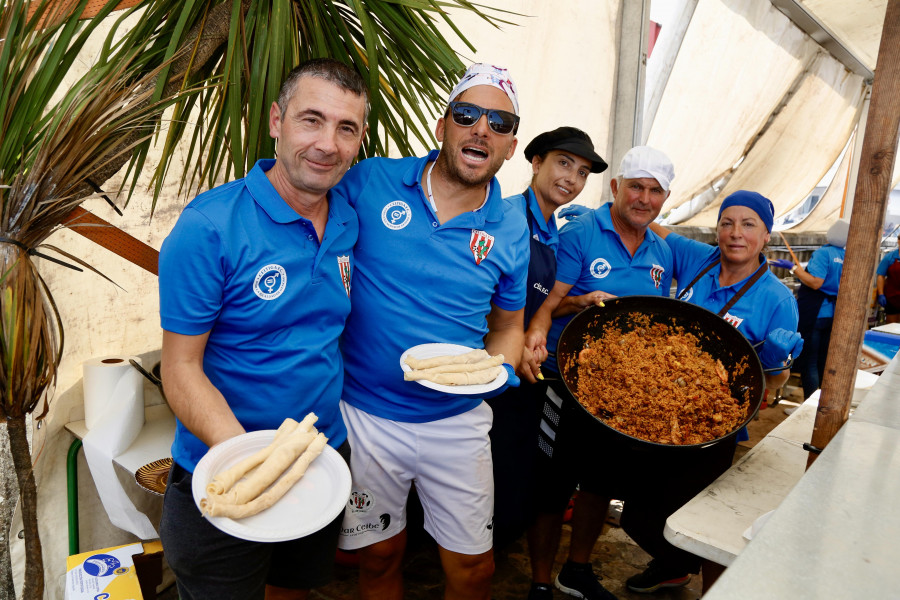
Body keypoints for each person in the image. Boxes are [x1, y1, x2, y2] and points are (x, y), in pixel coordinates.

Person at [157, 58, 369, 600]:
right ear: (276, 120)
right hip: (226, 468)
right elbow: (179, 369)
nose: (327, 143)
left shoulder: (348, 219)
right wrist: (249, 462)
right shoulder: (209, 227)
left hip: (319, 460)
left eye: (346, 128)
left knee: (294, 590)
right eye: (311, 120)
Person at [332, 63, 530, 600]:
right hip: (366, 416)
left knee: (474, 570)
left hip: (458, 422)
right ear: (442, 125)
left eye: (500, 122)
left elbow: (509, 325)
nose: (481, 129)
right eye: (467, 114)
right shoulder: (370, 181)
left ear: (511, 146)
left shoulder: (511, 226)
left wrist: (500, 367)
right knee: (376, 558)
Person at [520, 146, 677, 600]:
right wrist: (585, 302)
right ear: (615, 188)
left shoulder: (660, 251)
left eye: (654, 191)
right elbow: (548, 305)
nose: (643, 198)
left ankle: (578, 570)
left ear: (664, 197)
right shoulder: (582, 231)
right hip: (565, 381)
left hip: (619, 396)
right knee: (552, 487)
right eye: (636, 187)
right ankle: (541, 580)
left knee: (599, 486)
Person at [633, 190, 802, 594]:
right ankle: (674, 564)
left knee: (698, 517)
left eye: (749, 225)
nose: (735, 233)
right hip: (658, 408)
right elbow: (656, 226)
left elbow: (775, 385)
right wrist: (613, 210)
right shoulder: (699, 258)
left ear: (765, 236)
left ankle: (704, 579)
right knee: (638, 514)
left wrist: (776, 362)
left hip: (713, 425)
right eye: (727, 223)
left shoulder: (777, 299)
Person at [487, 127, 607, 550]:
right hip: (490, 371)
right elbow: (483, 301)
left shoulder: (552, 230)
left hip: (523, 371)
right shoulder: (504, 217)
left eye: (582, 172)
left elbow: (539, 300)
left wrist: (542, 327)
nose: (571, 178)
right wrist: (513, 341)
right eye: (563, 163)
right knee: (489, 473)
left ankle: (497, 548)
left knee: (516, 471)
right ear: (535, 163)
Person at [770, 219, 848, 399]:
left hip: (816, 312)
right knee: (823, 360)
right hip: (833, 313)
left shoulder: (823, 253)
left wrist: (793, 267)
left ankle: (810, 407)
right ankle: (821, 403)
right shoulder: (845, 255)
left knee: (809, 361)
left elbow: (815, 282)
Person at [876, 236, 900, 324]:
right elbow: (881, 276)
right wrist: (881, 294)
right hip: (892, 298)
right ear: (898, 241)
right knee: (891, 326)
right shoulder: (890, 257)